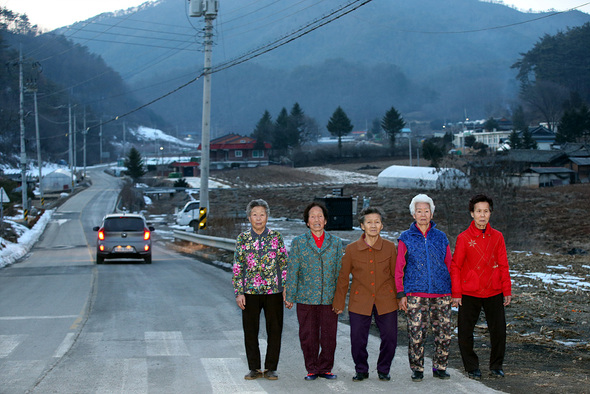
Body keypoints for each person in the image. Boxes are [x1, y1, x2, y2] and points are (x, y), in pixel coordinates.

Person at [333, 207, 398, 382]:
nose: (373, 225)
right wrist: (339, 303)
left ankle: (383, 369)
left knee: (390, 338)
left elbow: (396, 275)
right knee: (357, 340)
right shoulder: (352, 249)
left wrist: (401, 297)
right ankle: (361, 369)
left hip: (386, 300)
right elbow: (343, 278)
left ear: (382, 225)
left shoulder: (391, 248)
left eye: (377, 222)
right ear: (362, 226)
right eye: (369, 222)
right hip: (360, 300)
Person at [451, 194, 512, 380]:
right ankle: (472, 367)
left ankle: (496, 366)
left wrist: (506, 289)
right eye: (479, 211)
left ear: (490, 213)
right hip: (469, 292)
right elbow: (455, 266)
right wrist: (456, 292)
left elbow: (503, 264)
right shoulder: (463, 238)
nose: (482, 215)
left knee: (499, 331)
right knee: (465, 332)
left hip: (494, 290)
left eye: (486, 211)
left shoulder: (498, 237)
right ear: (472, 213)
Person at [395, 194, 453, 382]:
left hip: (441, 293)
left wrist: (454, 291)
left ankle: (440, 367)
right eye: (418, 211)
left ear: (431, 213)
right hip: (415, 294)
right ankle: (417, 368)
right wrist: (401, 293)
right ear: (413, 214)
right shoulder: (406, 238)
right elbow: (399, 268)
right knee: (416, 333)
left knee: (444, 333)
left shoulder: (441, 237)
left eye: (426, 211)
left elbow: (450, 265)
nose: (422, 214)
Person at [232, 199, 289, 380]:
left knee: (275, 330)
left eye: (262, 214)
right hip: (250, 292)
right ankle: (254, 368)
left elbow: (284, 264)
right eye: (255, 215)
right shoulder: (243, 239)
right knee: (250, 331)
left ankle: (271, 368)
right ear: (249, 218)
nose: (258, 218)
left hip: (273, 291)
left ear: (267, 217)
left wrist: (286, 288)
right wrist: (239, 291)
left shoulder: (276, 237)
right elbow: (238, 267)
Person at [286, 202, 343, 381]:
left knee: (329, 336)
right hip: (305, 297)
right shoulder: (298, 243)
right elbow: (293, 270)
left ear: (325, 221)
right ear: (307, 221)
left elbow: (339, 273)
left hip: (329, 298)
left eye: (320, 216)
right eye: (312, 216)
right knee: (308, 335)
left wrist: (340, 299)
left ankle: (325, 368)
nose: (316, 220)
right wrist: (290, 296)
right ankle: (311, 368)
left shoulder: (335, 243)